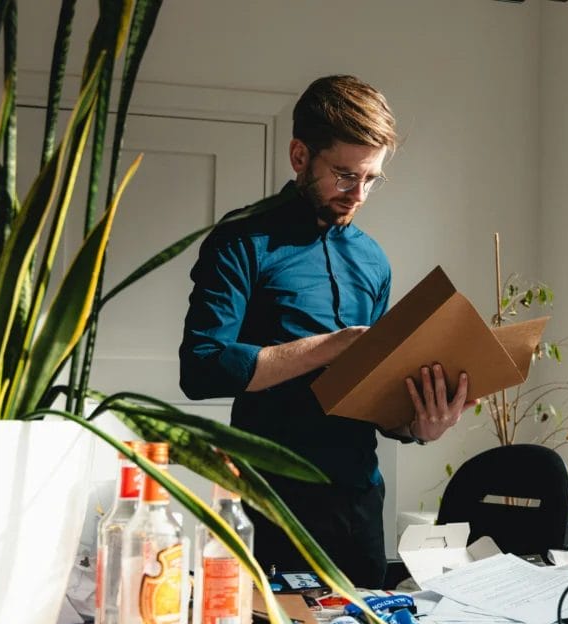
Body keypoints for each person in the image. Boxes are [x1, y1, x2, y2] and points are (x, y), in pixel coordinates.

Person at [179, 75, 471, 588]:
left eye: (371, 178)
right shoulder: (242, 240)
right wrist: (334, 347)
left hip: (358, 508)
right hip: (268, 503)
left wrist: (419, 427)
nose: (358, 193)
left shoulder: (374, 260)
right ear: (299, 156)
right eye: (343, 175)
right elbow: (201, 367)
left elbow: (375, 400)